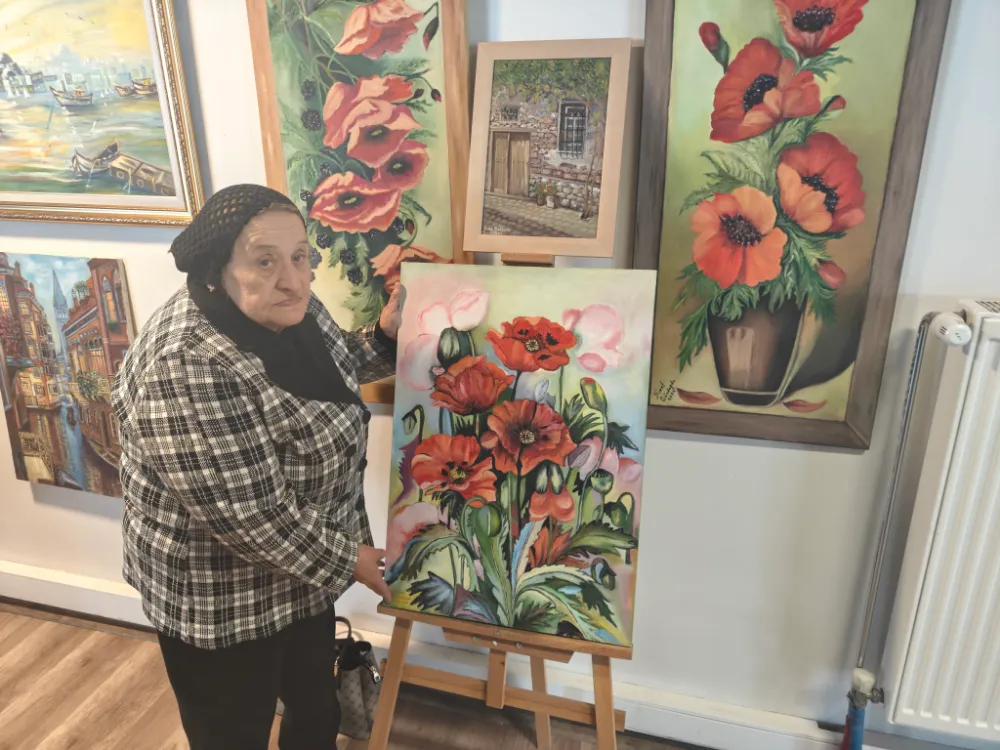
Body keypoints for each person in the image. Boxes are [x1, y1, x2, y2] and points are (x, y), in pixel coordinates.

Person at [112, 184, 400, 749]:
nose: (293, 279)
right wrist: (353, 559)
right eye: (264, 261)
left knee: (315, 712)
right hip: (219, 599)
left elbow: (330, 368)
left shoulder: (287, 308)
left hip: (300, 572)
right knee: (233, 733)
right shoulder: (188, 361)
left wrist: (383, 338)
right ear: (216, 270)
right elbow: (248, 514)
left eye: (300, 256)